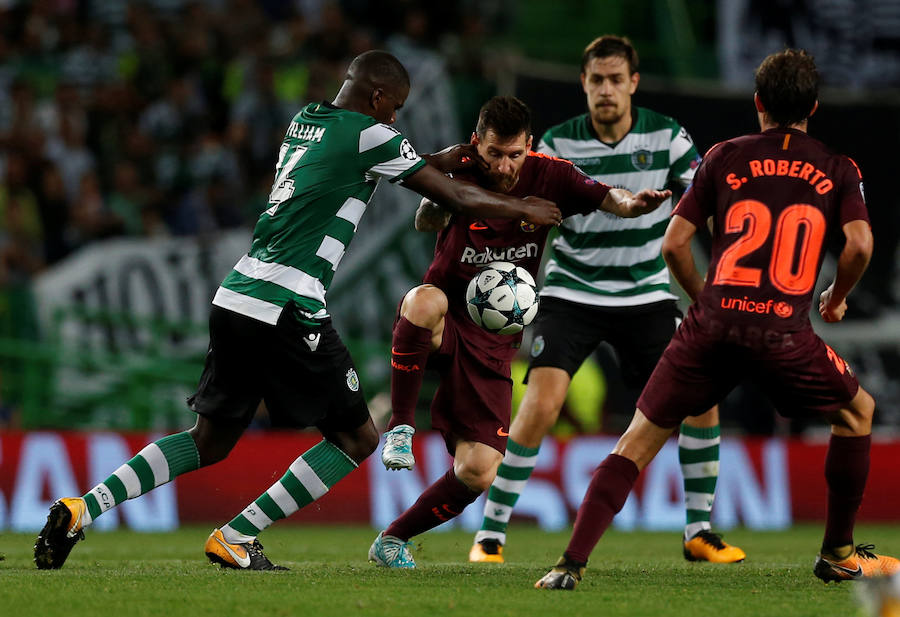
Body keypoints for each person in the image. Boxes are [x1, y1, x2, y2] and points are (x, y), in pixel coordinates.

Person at [32, 50, 563, 571]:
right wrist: (525, 208)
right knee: (357, 438)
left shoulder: (306, 120)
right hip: (288, 302)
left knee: (209, 439)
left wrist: (446, 157)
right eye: (395, 107)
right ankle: (237, 534)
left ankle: (84, 507)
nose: (396, 118)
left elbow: (409, 164)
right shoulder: (372, 135)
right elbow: (457, 198)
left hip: (236, 294)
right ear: (377, 98)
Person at [535, 48, 900, 590]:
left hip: (712, 325)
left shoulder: (724, 155)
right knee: (857, 414)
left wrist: (704, 299)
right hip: (782, 328)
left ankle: (568, 565)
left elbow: (674, 245)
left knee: (636, 439)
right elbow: (860, 246)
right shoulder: (837, 167)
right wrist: (836, 296)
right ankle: (839, 553)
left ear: (757, 103)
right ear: (815, 107)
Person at [471, 35, 744, 565]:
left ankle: (699, 530)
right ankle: (490, 534)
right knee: (543, 401)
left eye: (616, 79)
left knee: (701, 399)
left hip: (645, 294)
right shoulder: (556, 141)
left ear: (634, 83)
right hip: (572, 290)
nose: (606, 90)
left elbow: (706, 207)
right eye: (597, 80)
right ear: (584, 84)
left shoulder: (667, 137)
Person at [368, 95, 670, 568]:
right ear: (477, 143)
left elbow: (611, 198)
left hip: (493, 338)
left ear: (530, 145)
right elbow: (423, 219)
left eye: (515, 154)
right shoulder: (458, 165)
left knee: (479, 470)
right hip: (446, 319)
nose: (506, 166)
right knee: (424, 300)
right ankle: (401, 427)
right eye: (494, 154)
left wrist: (636, 205)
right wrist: (444, 197)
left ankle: (393, 538)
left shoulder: (553, 174)